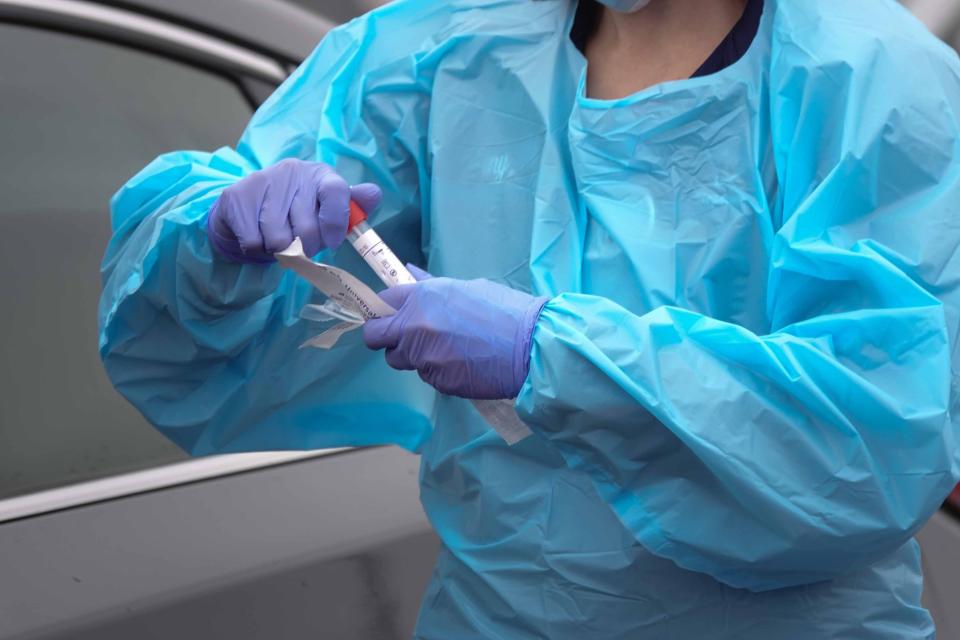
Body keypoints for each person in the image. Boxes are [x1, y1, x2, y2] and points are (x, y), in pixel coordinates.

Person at [99, 0, 960, 637]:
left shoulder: (873, 78)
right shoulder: (454, 43)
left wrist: (549, 356)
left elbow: (878, 433)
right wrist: (213, 233)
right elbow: (183, 287)